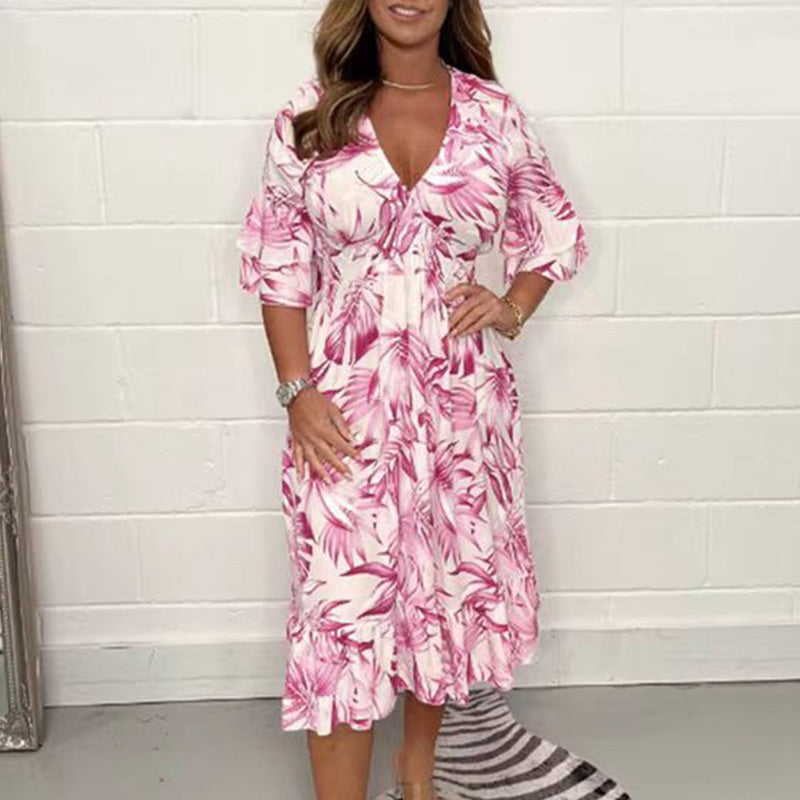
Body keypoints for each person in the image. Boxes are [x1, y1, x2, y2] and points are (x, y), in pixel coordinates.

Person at [235, 1, 589, 798]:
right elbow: (278, 261)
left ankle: (418, 772)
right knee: (341, 616)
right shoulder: (309, 118)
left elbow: (555, 230)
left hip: (462, 404)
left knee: (441, 592)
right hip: (344, 408)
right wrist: (296, 392)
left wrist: (511, 306)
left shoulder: (495, 116)